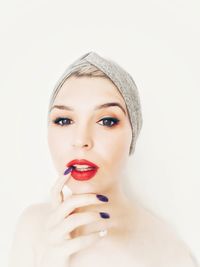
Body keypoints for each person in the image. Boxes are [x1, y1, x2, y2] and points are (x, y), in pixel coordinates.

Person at [8, 52, 199, 267]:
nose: (81, 140)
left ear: (133, 134)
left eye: (106, 121)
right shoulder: (33, 227)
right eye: (63, 120)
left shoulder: (168, 248)